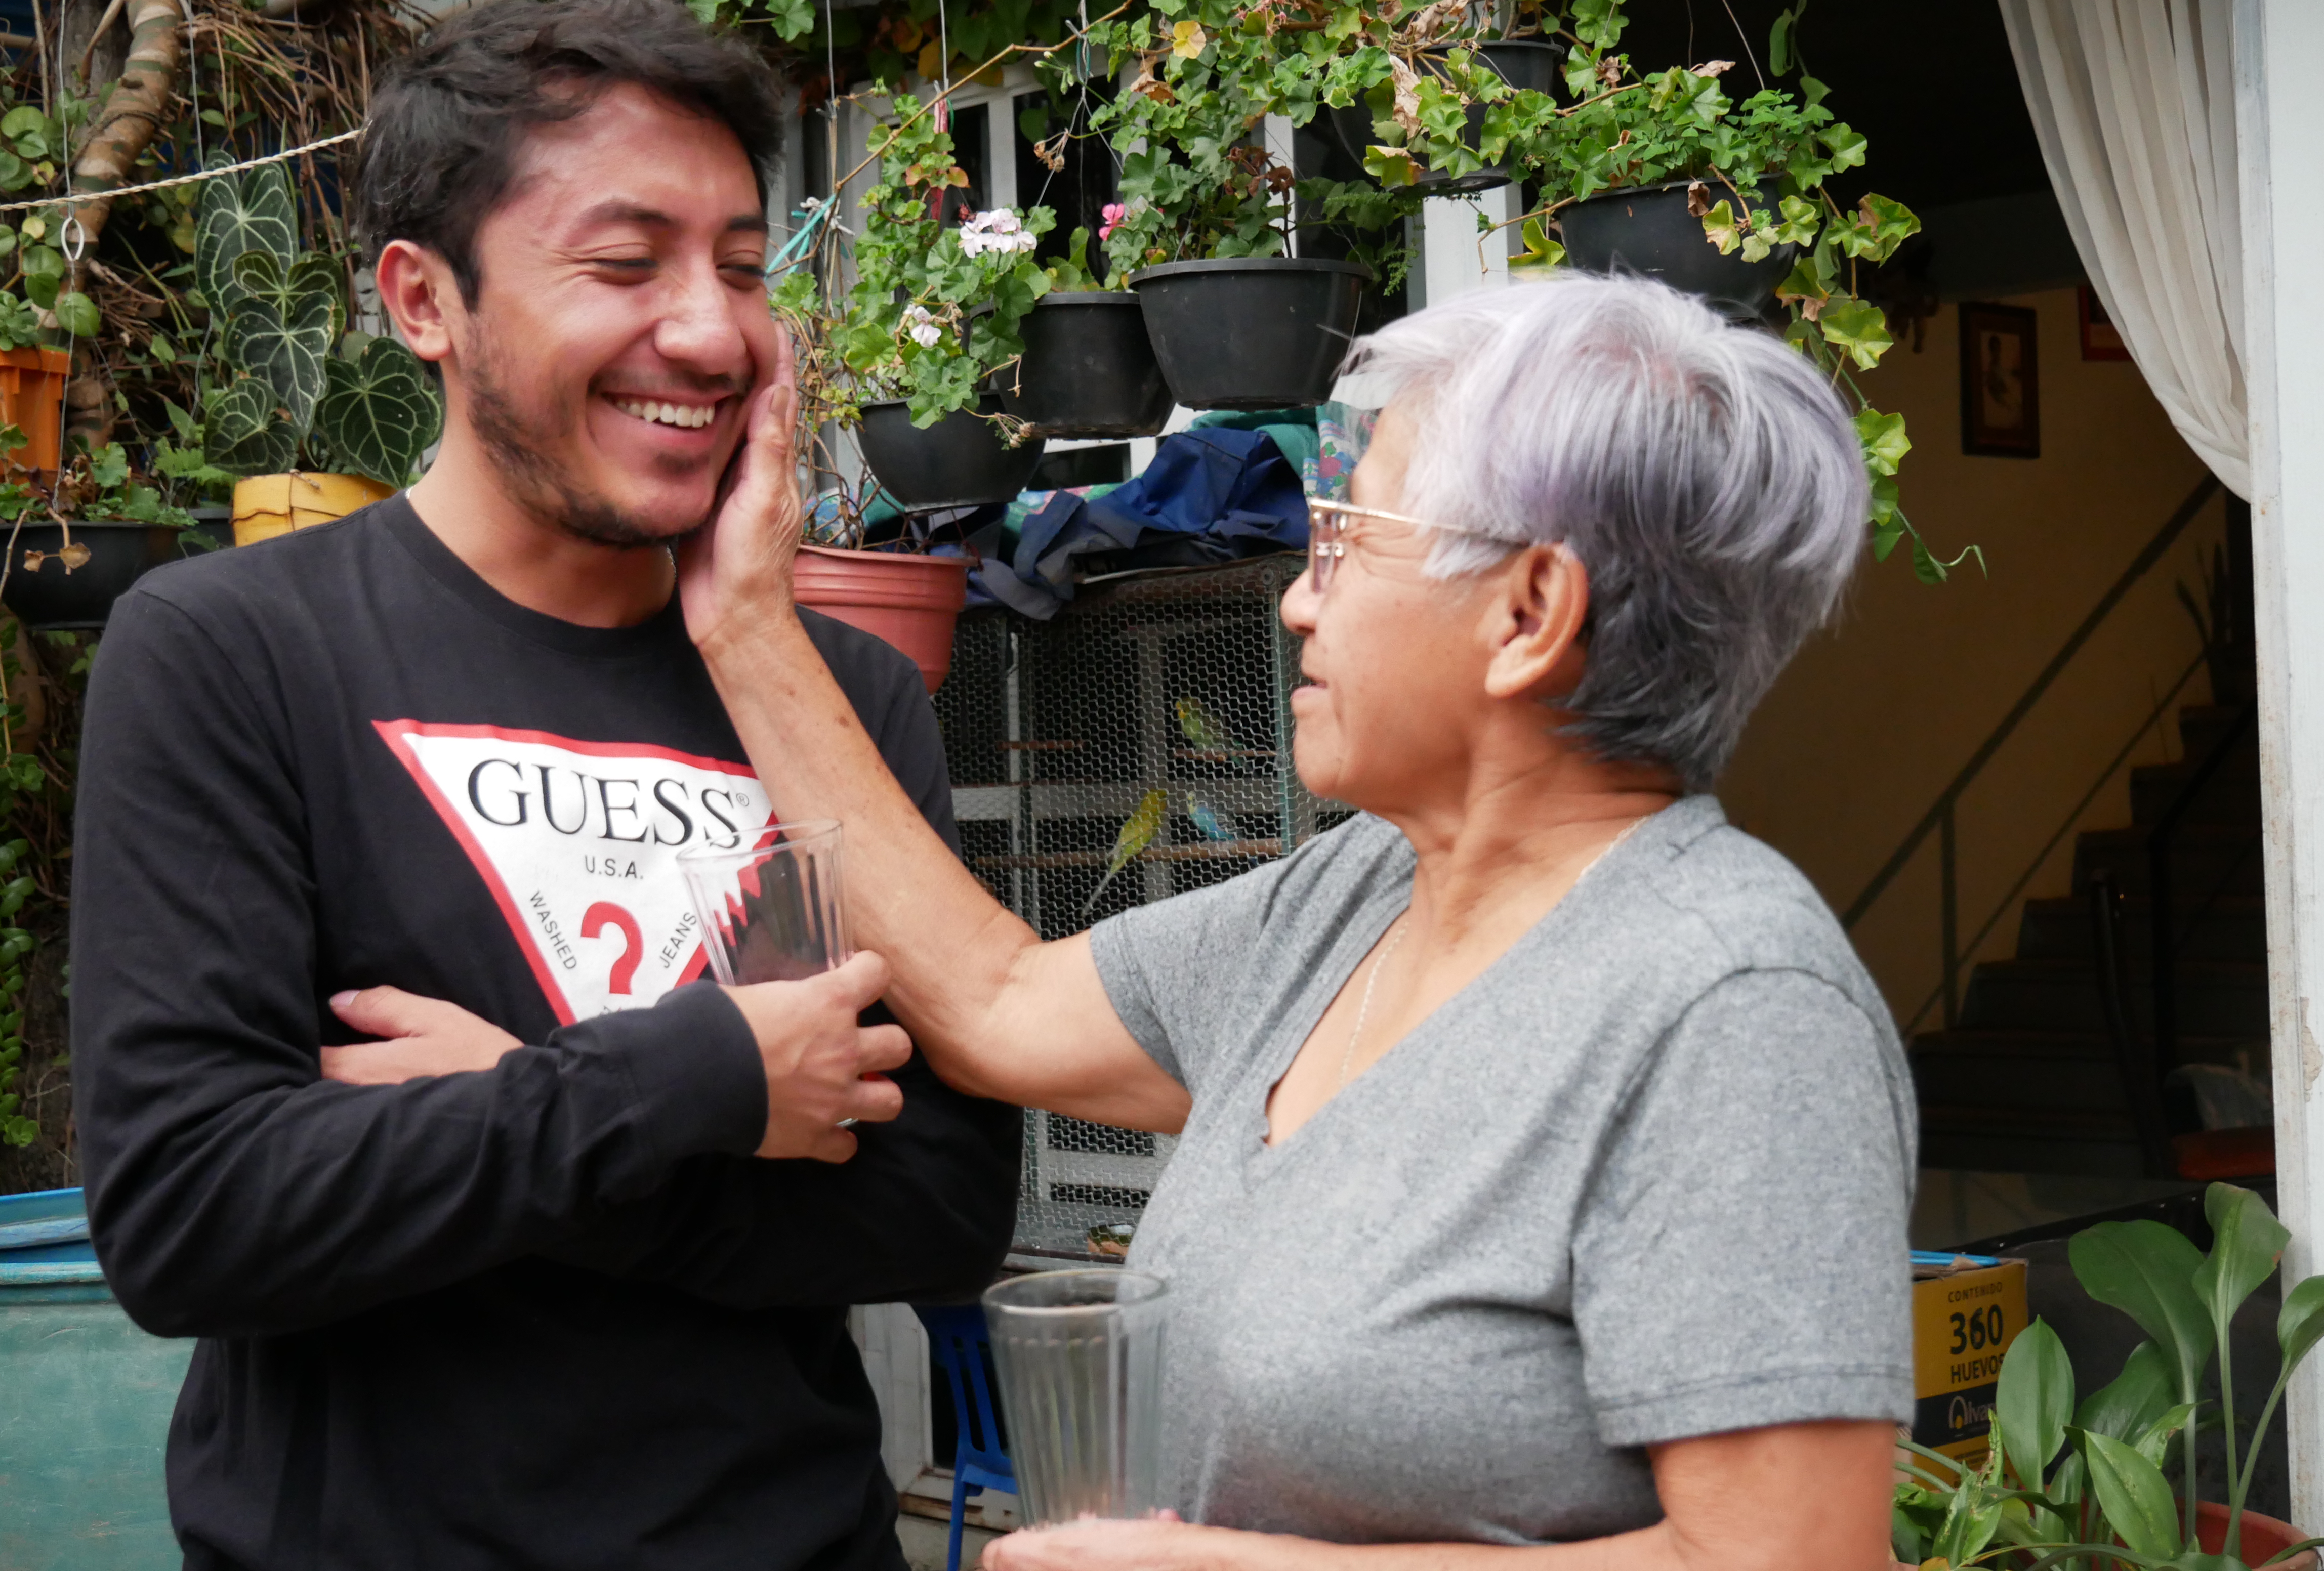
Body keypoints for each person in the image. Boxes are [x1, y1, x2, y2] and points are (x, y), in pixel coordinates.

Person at [378, 274, 1917, 1566]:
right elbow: (991, 1000)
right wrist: (745, 619)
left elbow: (1782, 1562)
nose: (1297, 603)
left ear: (1528, 614)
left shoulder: (1731, 1000)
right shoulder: (1358, 894)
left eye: (1345, 542)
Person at [70, 0, 1019, 1571]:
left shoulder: (829, 698)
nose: (710, 331)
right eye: (624, 262)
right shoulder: (236, 654)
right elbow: (198, 1216)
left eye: (736, 263)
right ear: (424, 300)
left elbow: (927, 1207)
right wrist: (705, 1086)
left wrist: (516, 1102)